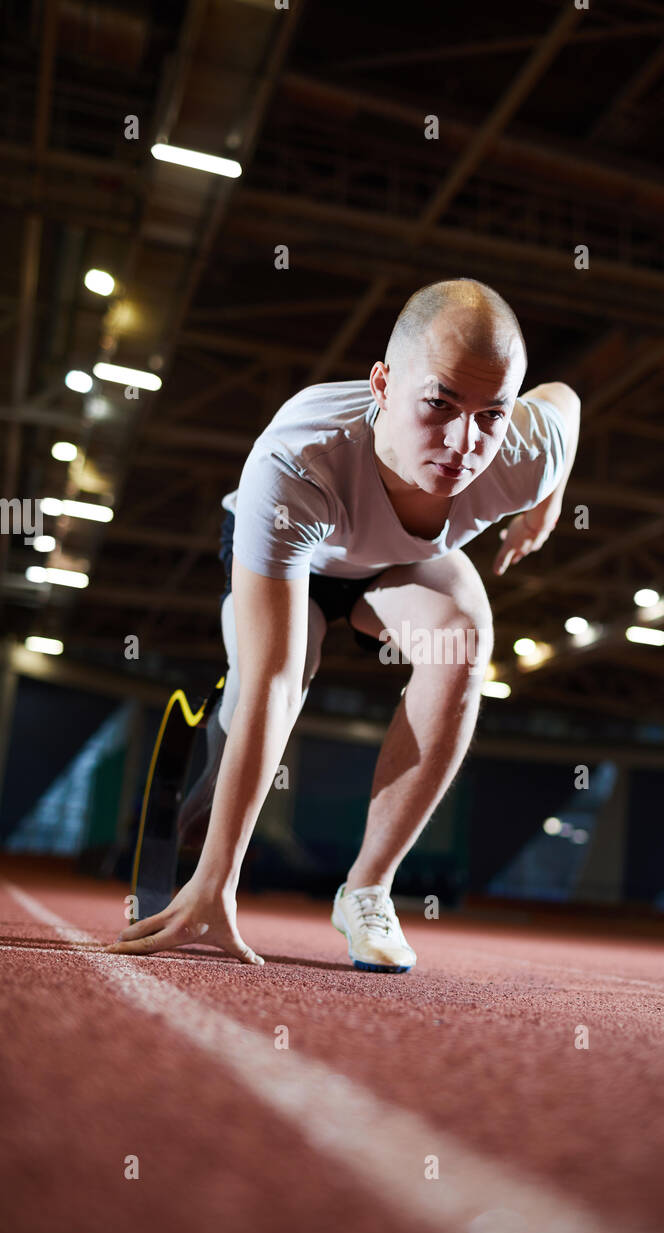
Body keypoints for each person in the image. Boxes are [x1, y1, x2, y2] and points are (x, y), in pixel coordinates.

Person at [109, 278, 580, 972]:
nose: (461, 444)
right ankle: (205, 776)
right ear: (383, 384)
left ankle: (368, 889)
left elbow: (563, 403)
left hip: (396, 565)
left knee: (464, 639)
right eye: (439, 404)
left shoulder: (524, 454)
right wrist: (216, 884)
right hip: (294, 548)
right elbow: (275, 682)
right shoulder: (298, 459)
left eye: (490, 415)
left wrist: (548, 500)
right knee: (281, 672)